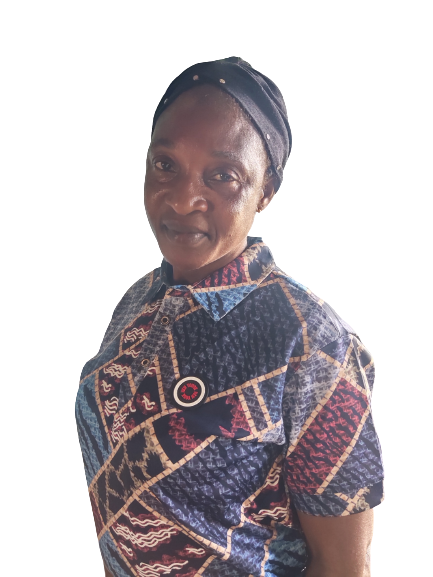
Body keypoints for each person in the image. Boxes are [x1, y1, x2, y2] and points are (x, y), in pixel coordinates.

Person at [75, 57, 384, 577]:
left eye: (222, 175)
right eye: (165, 164)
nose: (182, 199)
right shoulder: (141, 297)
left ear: (265, 191)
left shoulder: (312, 345)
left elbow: (342, 566)